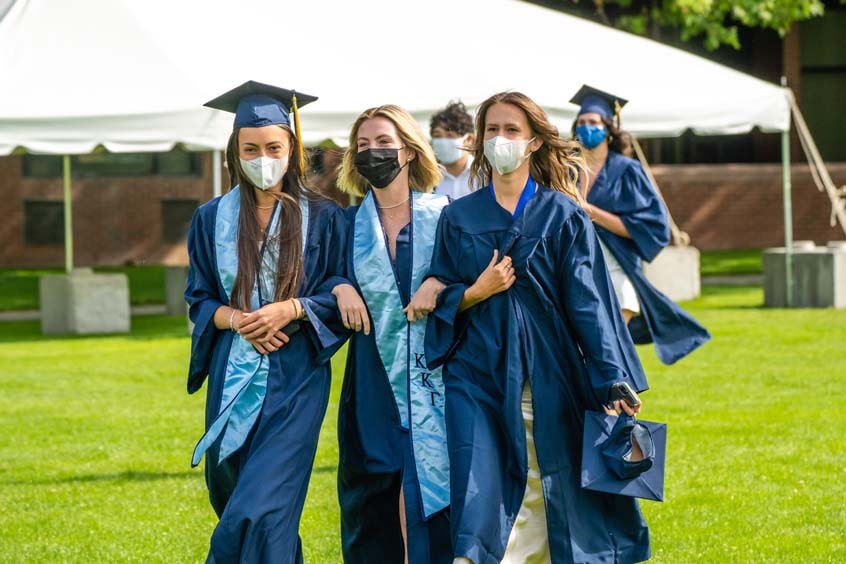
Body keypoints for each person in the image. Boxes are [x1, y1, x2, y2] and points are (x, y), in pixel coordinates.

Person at [425, 91, 652, 564]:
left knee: (555, 497)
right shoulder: (458, 216)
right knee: (480, 494)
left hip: (551, 377)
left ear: (532, 143)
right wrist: (475, 291)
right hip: (478, 377)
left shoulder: (562, 215)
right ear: (479, 140)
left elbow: (589, 305)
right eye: (492, 130)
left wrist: (612, 376)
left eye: (512, 131)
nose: (500, 139)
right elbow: (443, 291)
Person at [184, 80, 351, 563]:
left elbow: (340, 290)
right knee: (236, 496)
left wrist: (292, 308)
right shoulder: (210, 218)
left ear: (292, 147)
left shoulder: (323, 217)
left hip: (294, 377)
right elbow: (200, 299)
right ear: (235, 152)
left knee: (261, 508)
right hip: (231, 374)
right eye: (250, 148)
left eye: (273, 146)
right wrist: (238, 319)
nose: (263, 157)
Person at [334, 104, 453, 564]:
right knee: (378, 492)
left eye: (383, 143)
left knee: (430, 488)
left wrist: (439, 281)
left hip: (435, 377)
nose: (373, 152)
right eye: (362, 145)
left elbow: (467, 279)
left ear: (408, 150)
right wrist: (340, 284)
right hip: (373, 379)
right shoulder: (345, 225)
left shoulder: (445, 216)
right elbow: (321, 277)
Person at [570, 84, 710, 365]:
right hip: (575, 266)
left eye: (594, 122)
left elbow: (650, 227)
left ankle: (619, 391)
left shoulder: (627, 171)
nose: (587, 128)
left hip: (618, 267)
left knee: (610, 341)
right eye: (582, 122)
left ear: (608, 128)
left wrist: (591, 211)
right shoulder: (567, 169)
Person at [430, 101, 476, 199]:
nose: (442, 141)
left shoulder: (485, 175)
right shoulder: (429, 179)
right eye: (437, 136)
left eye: (450, 135)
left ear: (469, 139)